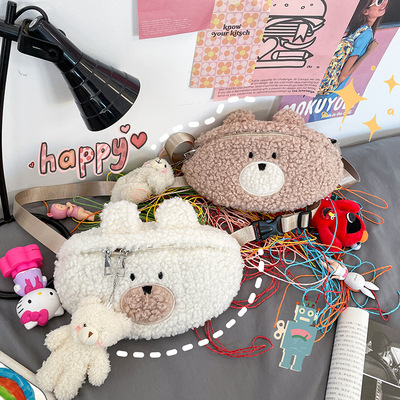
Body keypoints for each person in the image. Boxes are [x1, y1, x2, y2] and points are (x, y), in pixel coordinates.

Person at [309, 0, 388, 121]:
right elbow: (343, 76)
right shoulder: (366, 34)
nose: (383, 4)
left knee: (314, 120)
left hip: (324, 85)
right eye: (378, 2)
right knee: (319, 123)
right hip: (331, 90)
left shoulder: (358, 29)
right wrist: (368, 53)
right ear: (365, 11)